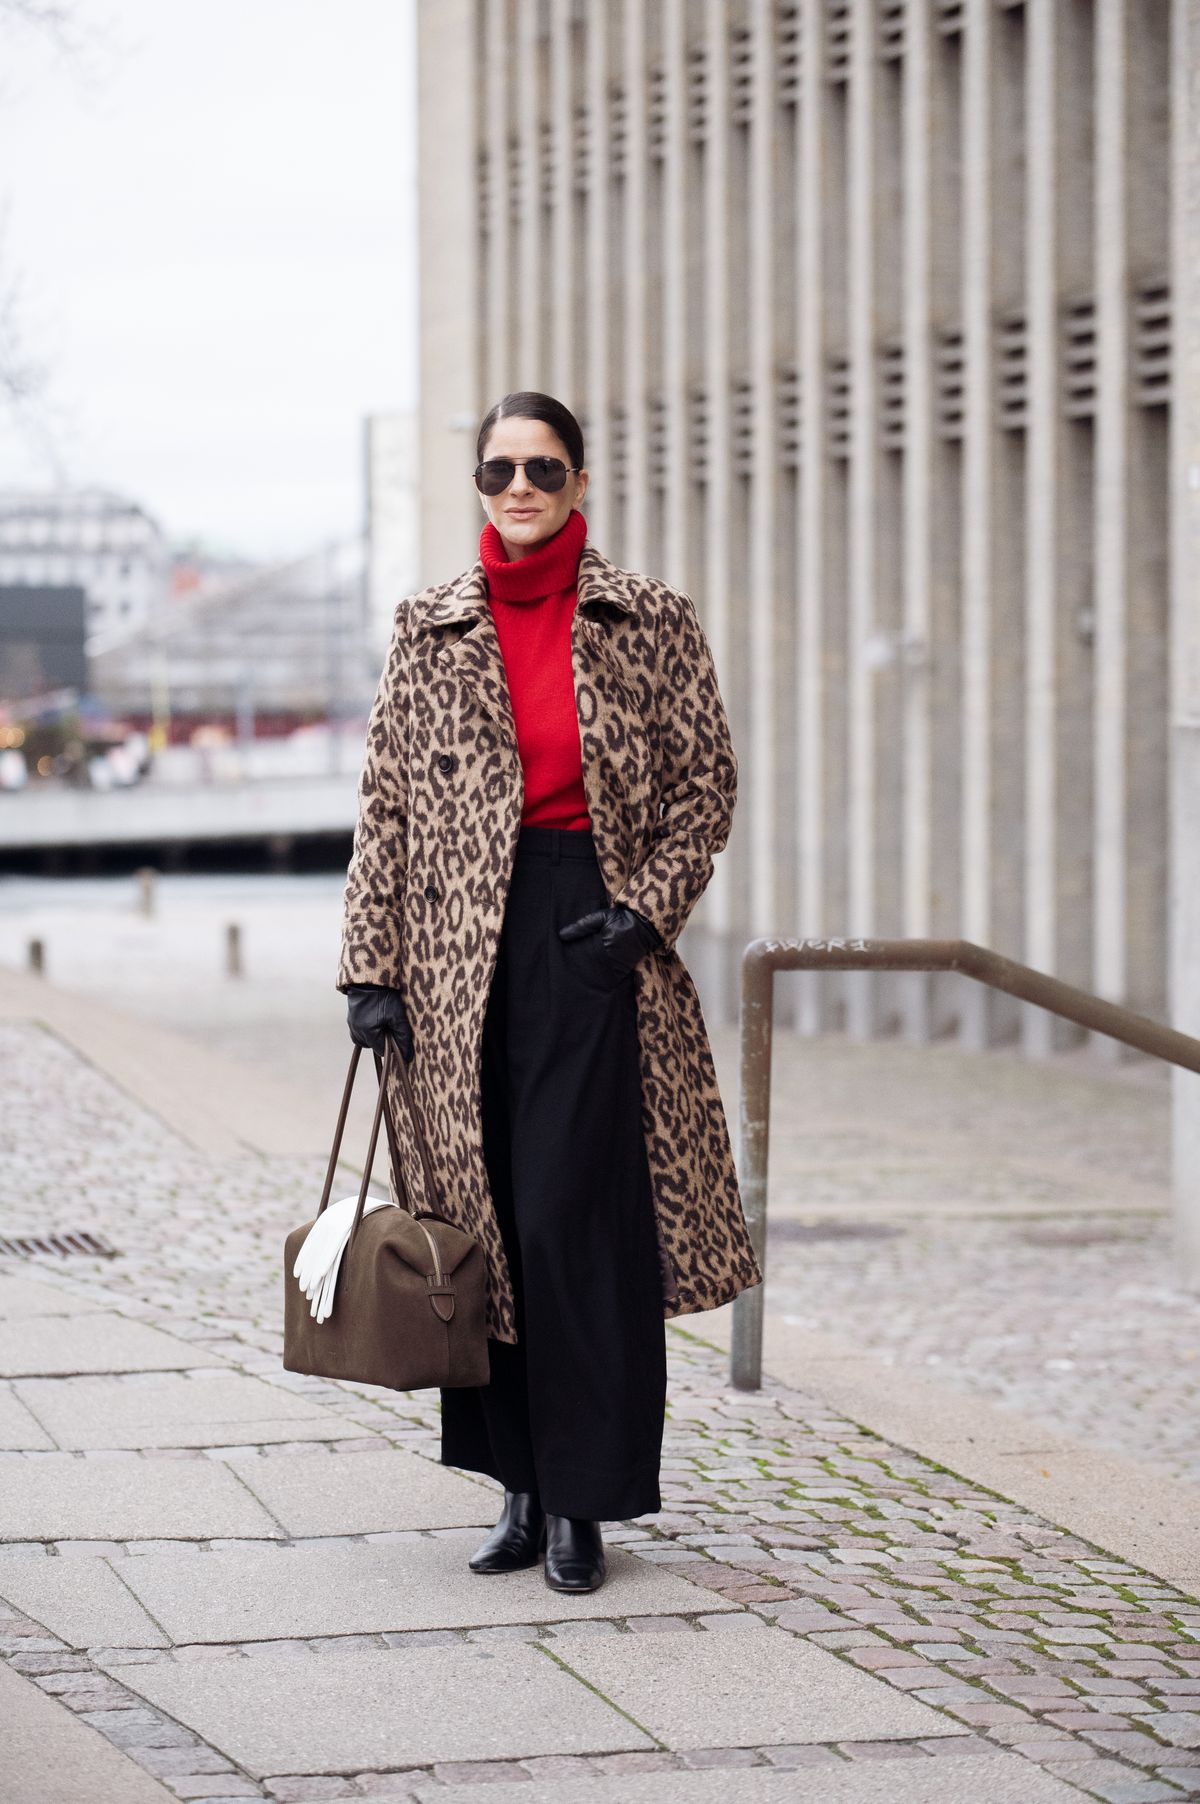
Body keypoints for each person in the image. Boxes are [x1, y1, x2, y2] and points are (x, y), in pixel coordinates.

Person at [338, 390, 761, 1594]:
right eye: (496, 469)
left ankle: (585, 1503)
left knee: (577, 1222)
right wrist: (371, 968)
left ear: (579, 482)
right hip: (452, 951)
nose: (517, 486)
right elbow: (386, 812)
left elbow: (706, 782)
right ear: (477, 485)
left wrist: (643, 914)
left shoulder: (648, 618)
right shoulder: (428, 627)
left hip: (591, 934)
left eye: (541, 466)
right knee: (484, 1226)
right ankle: (519, 1490)